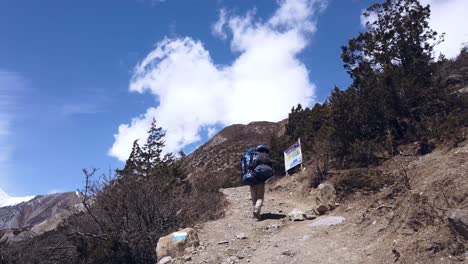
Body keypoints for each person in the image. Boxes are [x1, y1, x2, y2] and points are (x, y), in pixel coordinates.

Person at [248, 144, 274, 220]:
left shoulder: (253, 156)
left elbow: (249, 166)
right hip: (260, 181)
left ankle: (255, 214)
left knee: (254, 199)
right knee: (260, 198)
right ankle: (256, 211)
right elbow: (270, 165)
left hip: (252, 181)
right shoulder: (266, 156)